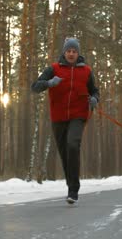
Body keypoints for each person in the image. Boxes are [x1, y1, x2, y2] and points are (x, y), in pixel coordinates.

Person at [31, 37, 100, 204]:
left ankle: (73, 190)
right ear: (64, 52)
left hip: (78, 115)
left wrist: (94, 100)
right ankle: (71, 185)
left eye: (74, 51)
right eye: (68, 51)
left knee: (72, 144)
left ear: (78, 53)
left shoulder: (86, 71)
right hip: (59, 117)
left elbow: (95, 91)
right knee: (64, 153)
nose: (71, 54)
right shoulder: (54, 69)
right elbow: (35, 87)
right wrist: (49, 82)